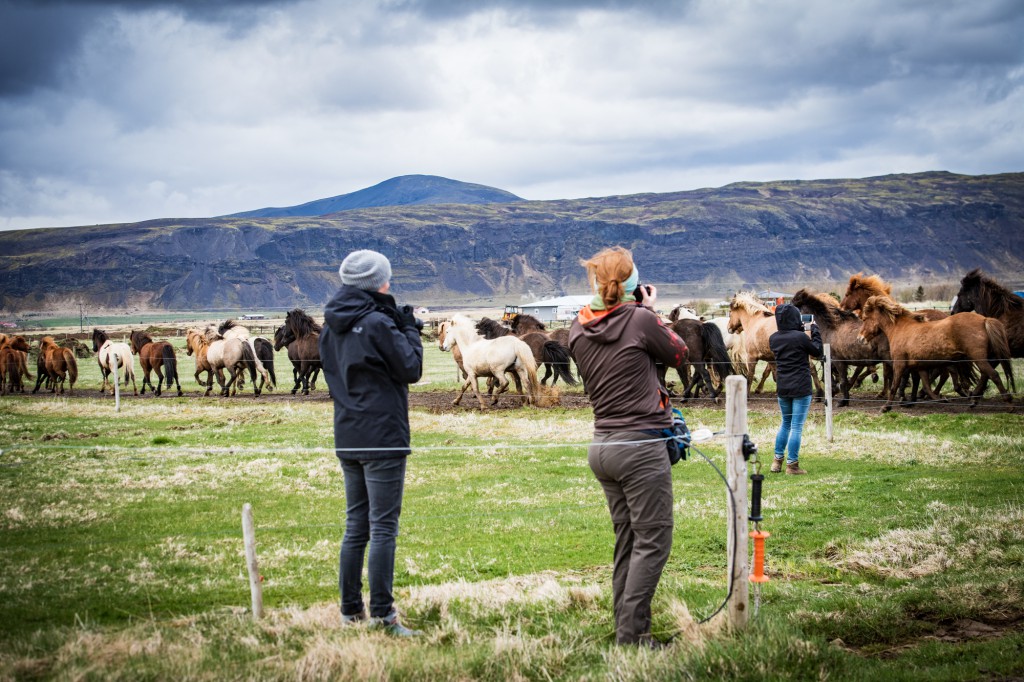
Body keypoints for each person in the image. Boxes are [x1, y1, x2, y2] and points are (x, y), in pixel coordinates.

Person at [567, 246, 688, 648]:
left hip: (603, 445)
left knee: (628, 540)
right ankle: (634, 638)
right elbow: (679, 353)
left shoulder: (576, 327)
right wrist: (650, 311)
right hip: (639, 447)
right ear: (634, 283)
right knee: (654, 540)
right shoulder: (640, 319)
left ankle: (627, 629)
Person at [319, 249, 424, 636]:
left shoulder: (331, 326)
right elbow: (411, 368)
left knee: (356, 525)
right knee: (383, 527)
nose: (390, 283)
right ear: (377, 282)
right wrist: (410, 328)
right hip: (383, 436)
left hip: (347, 434)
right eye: (387, 278)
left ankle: (350, 611)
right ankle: (383, 614)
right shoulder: (379, 322)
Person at [768, 304, 823, 475]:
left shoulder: (773, 338)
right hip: (801, 386)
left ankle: (777, 462)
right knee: (797, 427)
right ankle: (792, 465)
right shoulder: (800, 337)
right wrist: (814, 329)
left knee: (785, 424)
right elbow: (817, 351)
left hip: (782, 386)